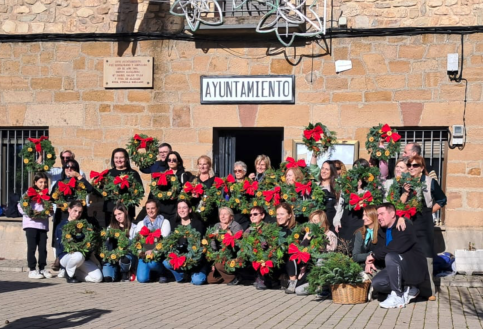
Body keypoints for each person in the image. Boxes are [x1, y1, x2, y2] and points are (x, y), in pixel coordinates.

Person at [367, 203, 428, 308]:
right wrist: (369, 260)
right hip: (395, 268)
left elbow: (394, 248)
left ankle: (398, 296)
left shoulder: (404, 226)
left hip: (412, 268)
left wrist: (373, 255)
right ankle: (408, 290)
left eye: (382, 214)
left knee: (391, 256)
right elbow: (378, 249)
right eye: (378, 215)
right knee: (377, 282)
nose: (379, 217)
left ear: (392, 214)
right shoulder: (382, 231)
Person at [406, 155, 447, 300]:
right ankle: (410, 288)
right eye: (409, 165)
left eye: (415, 165)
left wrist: (431, 211)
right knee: (408, 254)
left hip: (424, 221)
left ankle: (429, 291)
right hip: (407, 221)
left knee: (426, 255)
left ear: (422, 168)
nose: (411, 167)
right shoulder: (403, 182)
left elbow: (442, 199)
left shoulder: (430, 182)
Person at [51, 159, 96, 273]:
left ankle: (77, 263)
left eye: (72, 167)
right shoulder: (59, 182)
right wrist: (64, 205)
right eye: (67, 167)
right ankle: (62, 265)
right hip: (63, 214)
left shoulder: (80, 183)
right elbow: (52, 197)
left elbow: (90, 189)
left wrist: (78, 176)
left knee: (76, 237)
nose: (69, 169)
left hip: (78, 215)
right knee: (60, 238)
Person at [55, 201, 103, 283]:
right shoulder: (62, 226)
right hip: (66, 256)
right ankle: (69, 274)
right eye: (75, 211)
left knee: (98, 278)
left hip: (82, 258)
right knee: (78, 256)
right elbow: (63, 246)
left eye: (80, 212)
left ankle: (75, 273)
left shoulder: (84, 225)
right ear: (69, 210)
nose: (77, 214)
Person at [162, 200, 208, 285]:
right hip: (180, 258)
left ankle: (194, 274)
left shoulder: (197, 224)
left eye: (184, 208)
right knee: (166, 262)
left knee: (197, 281)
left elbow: (200, 246)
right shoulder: (174, 224)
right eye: (179, 208)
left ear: (190, 210)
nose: (181, 210)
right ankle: (182, 276)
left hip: (195, 261)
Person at [294, 210, 338, 296]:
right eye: (310, 221)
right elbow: (301, 250)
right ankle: (316, 286)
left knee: (321, 260)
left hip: (325, 268)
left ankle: (324, 287)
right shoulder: (310, 234)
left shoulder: (330, 235)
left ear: (322, 222)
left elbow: (329, 253)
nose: (311, 224)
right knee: (298, 290)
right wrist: (307, 238)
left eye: (315, 221)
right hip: (311, 270)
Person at [19, 172, 52, 279]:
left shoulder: (47, 195)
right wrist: (30, 214)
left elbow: (51, 210)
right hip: (31, 225)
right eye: (40, 182)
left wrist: (49, 212)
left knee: (43, 248)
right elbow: (21, 206)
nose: (43, 184)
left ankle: (42, 268)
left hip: (42, 225)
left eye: (45, 182)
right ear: (35, 182)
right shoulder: (28, 193)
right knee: (32, 248)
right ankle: (32, 270)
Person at [104, 148, 143, 226]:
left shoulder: (133, 173)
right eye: (116, 158)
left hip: (127, 209)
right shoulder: (108, 173)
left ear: (126, 159)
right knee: (111, 234)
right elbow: (103, 190)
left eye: (121, 157)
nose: (118, 160)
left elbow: (140, 191)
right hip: (110, 209)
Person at [135, 199, 171, 283]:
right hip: (144, 253)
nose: (150, 211)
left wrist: (153, 250)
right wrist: (144, 251)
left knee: (153, 263)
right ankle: (151, 274)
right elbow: (137, 241)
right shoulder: (141, 224)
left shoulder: (164, 222)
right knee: (142, 279)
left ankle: (162, 273)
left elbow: (163, 240)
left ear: (157, 208)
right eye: (148, 208)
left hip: (158, 253)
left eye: (153, 208)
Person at [206, 207, 243, 284]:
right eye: (221, 214)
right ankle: (231, 277)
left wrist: (229, 233)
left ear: (231, 217)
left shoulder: (236, 226)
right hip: (219, 255)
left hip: (232, 255)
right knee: (211, 279)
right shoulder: (216, 226)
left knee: (219, 264)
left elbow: (237, 245)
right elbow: (212, 245)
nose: (222, 216)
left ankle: (233, 278)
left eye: (225, 214)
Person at [102, 203, 137, 282]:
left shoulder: (133, 227)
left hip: (127, 255)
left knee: (125, 259)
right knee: (107, 279)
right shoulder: (111, 227)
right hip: (113, 256)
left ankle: (125, 272)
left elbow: (135, 246)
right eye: (115, 215)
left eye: (120, 214)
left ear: (126, 212)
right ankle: (116, 272)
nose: (118, 217)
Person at [158, 151, 193, 227]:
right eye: (169, 160)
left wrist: (177, 196)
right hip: (163, 207)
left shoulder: (183, 175)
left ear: (179, 162)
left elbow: (185, 191)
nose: (171, 162)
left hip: (175, 208)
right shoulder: (162, 174)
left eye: (174, 160)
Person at [309, 157, 340, 231]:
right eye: (322, 168)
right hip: (314, 223)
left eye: (327, 169)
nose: (323, 171)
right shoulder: (316, 186)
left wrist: (337, 221)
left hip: (329, 224)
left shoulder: (336, 188)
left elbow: (339, 207)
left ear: (332, 172)